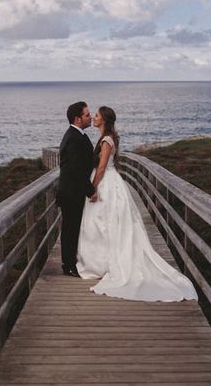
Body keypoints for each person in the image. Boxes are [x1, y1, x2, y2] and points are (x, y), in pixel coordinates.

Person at [76, 106, 197, 302]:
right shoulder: (107, 138)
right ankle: (102, 261)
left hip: (106, 183)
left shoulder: (106, 141)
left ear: (104, 119)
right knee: (105, 222)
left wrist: (92, 189)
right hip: (112, 181)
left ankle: (102, 263)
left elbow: (101, 168)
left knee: (102, 222)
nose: (94, 118)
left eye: (96, 115)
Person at [56, 101, 95, 277]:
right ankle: (68, 265)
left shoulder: (79, 135)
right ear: (78, 119)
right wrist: (91, 190)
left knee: (74, 227)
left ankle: (72, 261)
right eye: (87, 115)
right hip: (71, 192)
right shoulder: (73, 137)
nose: (91, 117)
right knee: (70, 229)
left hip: (74, 190)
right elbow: (76, 168)